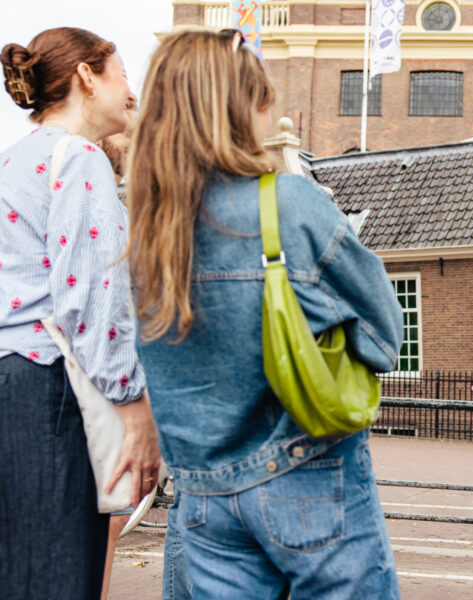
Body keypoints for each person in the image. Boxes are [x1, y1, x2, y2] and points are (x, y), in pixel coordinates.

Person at [126, 29, 403, 599]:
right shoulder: (288, 204)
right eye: (260, 98)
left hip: (204, 498)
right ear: (238, 108)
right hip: (307, 475)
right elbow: (383, 335)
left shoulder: (145, 235)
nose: (268, 112)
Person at [0, 27, 160, 600]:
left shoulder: (13, 162)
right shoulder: (80, 160)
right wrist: (135, 411)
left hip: (9, 377)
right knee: (59, 572)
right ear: (87, 78)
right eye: (121, 76)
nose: (132, 94)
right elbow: (91, 300)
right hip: (50, 389)